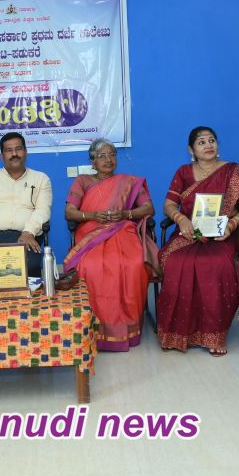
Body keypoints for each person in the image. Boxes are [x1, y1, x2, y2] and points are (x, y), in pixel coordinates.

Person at [157, 126, 239, 355]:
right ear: (191, 149)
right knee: (174, 261)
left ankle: (214, 335)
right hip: (189, 234)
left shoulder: (232, 171)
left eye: (211, 140)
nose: (208, 145)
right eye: (201, 142)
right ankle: (178, 333)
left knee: (215, 265)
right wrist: (181, 219)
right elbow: (168, 204)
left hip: (223, 235)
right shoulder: (183, 172)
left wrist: (233, 223)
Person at [64, 139, 158, 351]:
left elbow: (149, 208)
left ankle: (128, 325)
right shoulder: (82, 181)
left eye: (112, 155)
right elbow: (69, 212)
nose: (108, 160)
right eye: (102, 156)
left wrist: (126, 214)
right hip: (91, 233)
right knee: (91, 265)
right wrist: (92, 215)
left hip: (123, 230)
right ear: (93, 162)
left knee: (134, 263)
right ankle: (94, 326)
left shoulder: (129, 181)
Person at [0, 132, 53, 283]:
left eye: (18, 149)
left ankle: (29, 299)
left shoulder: (41, 179)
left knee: (30, 265)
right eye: (8, 150)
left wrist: (29, 232)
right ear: (2, 156)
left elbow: (43, 210)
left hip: (25, 236)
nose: (14, 154)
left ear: (26, 152)